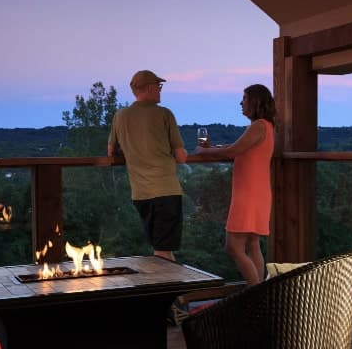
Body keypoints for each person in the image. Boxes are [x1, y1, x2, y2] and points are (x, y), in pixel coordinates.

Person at [195, 83, 275, 285]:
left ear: (255, 102)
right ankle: (259, 292)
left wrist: (204, 151)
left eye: (245, 98)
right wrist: (215, 148)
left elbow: (232, 151)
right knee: (252, 244)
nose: (241, 103)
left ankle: (255, 292)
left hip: (248, 193)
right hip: (259, 191)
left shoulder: (258, 126)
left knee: (233, 247)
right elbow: (238, 148)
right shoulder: (266, 126)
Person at [108, 70, 188, 261]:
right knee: (164, 251)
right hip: (166, 190)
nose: (160, 91)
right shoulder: (164, 114)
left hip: (140, 194)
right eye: (159, 87)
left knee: (159, 248)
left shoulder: (120, 116)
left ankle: (167, 287)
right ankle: (169, 288)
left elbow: (111, 152)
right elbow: (181, 156)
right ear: (150, 88)